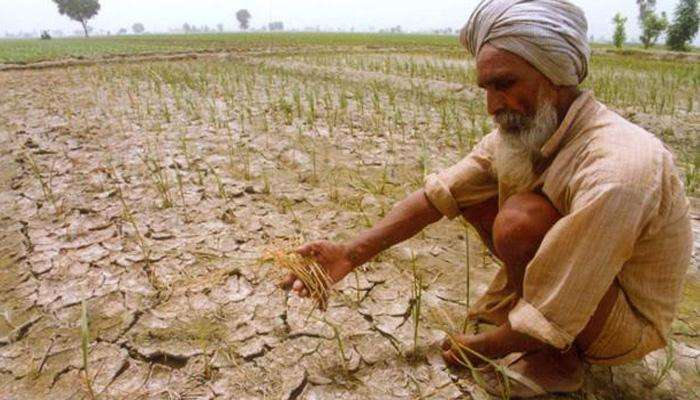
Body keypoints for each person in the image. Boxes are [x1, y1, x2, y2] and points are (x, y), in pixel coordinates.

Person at [281, 0, 693, 396]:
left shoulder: (618, 167)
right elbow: (438, 196)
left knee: (519, 221)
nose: (493, 105)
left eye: (505, 84)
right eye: (487, 87)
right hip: (581, 284)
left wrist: (487, 346)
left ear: (554, 75)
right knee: (477, 198)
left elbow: (578, 275)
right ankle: (529, 327)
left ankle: (555, 357)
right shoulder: (526, 131)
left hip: (623, 323)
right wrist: (349, 254)